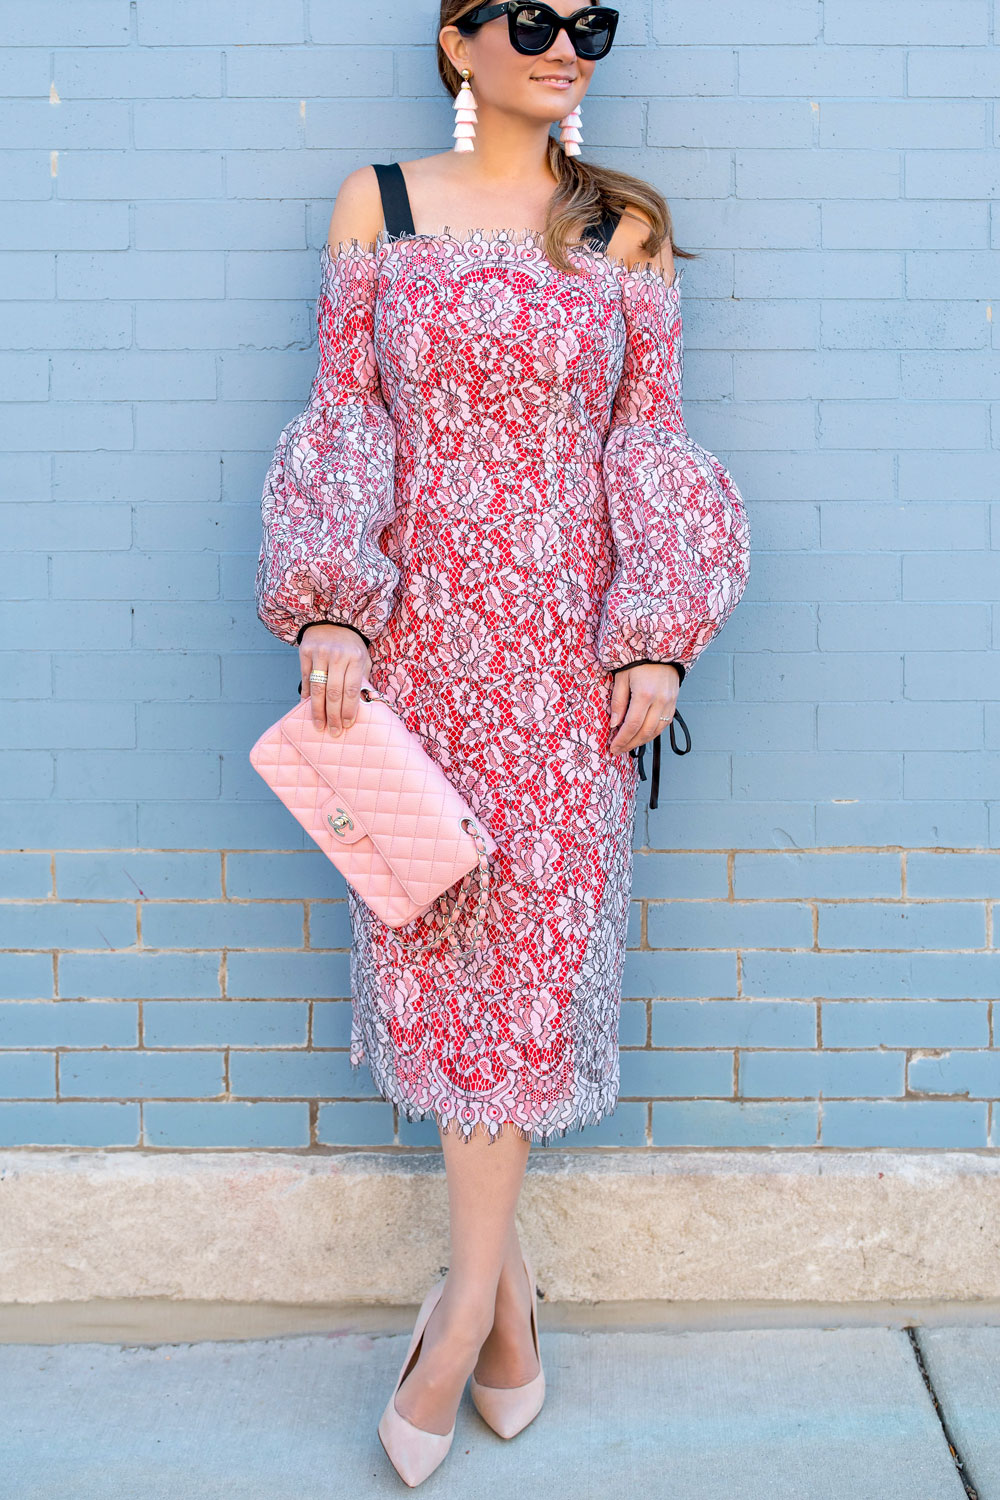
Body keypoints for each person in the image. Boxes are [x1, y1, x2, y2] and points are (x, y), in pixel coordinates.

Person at [254, 0, 751, 1484]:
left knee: (531, 978)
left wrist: (656, 631)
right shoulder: (381, 205)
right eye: (532, 17)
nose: (566, 43)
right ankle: (507, 1309)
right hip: (409, 664)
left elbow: (646, 446)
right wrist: (329, 609)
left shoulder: (624, 235)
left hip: (563, 672)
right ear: (459, 41)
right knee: (443, 949)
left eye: (593, 21)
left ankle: (461, 1311)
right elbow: (346, 417)